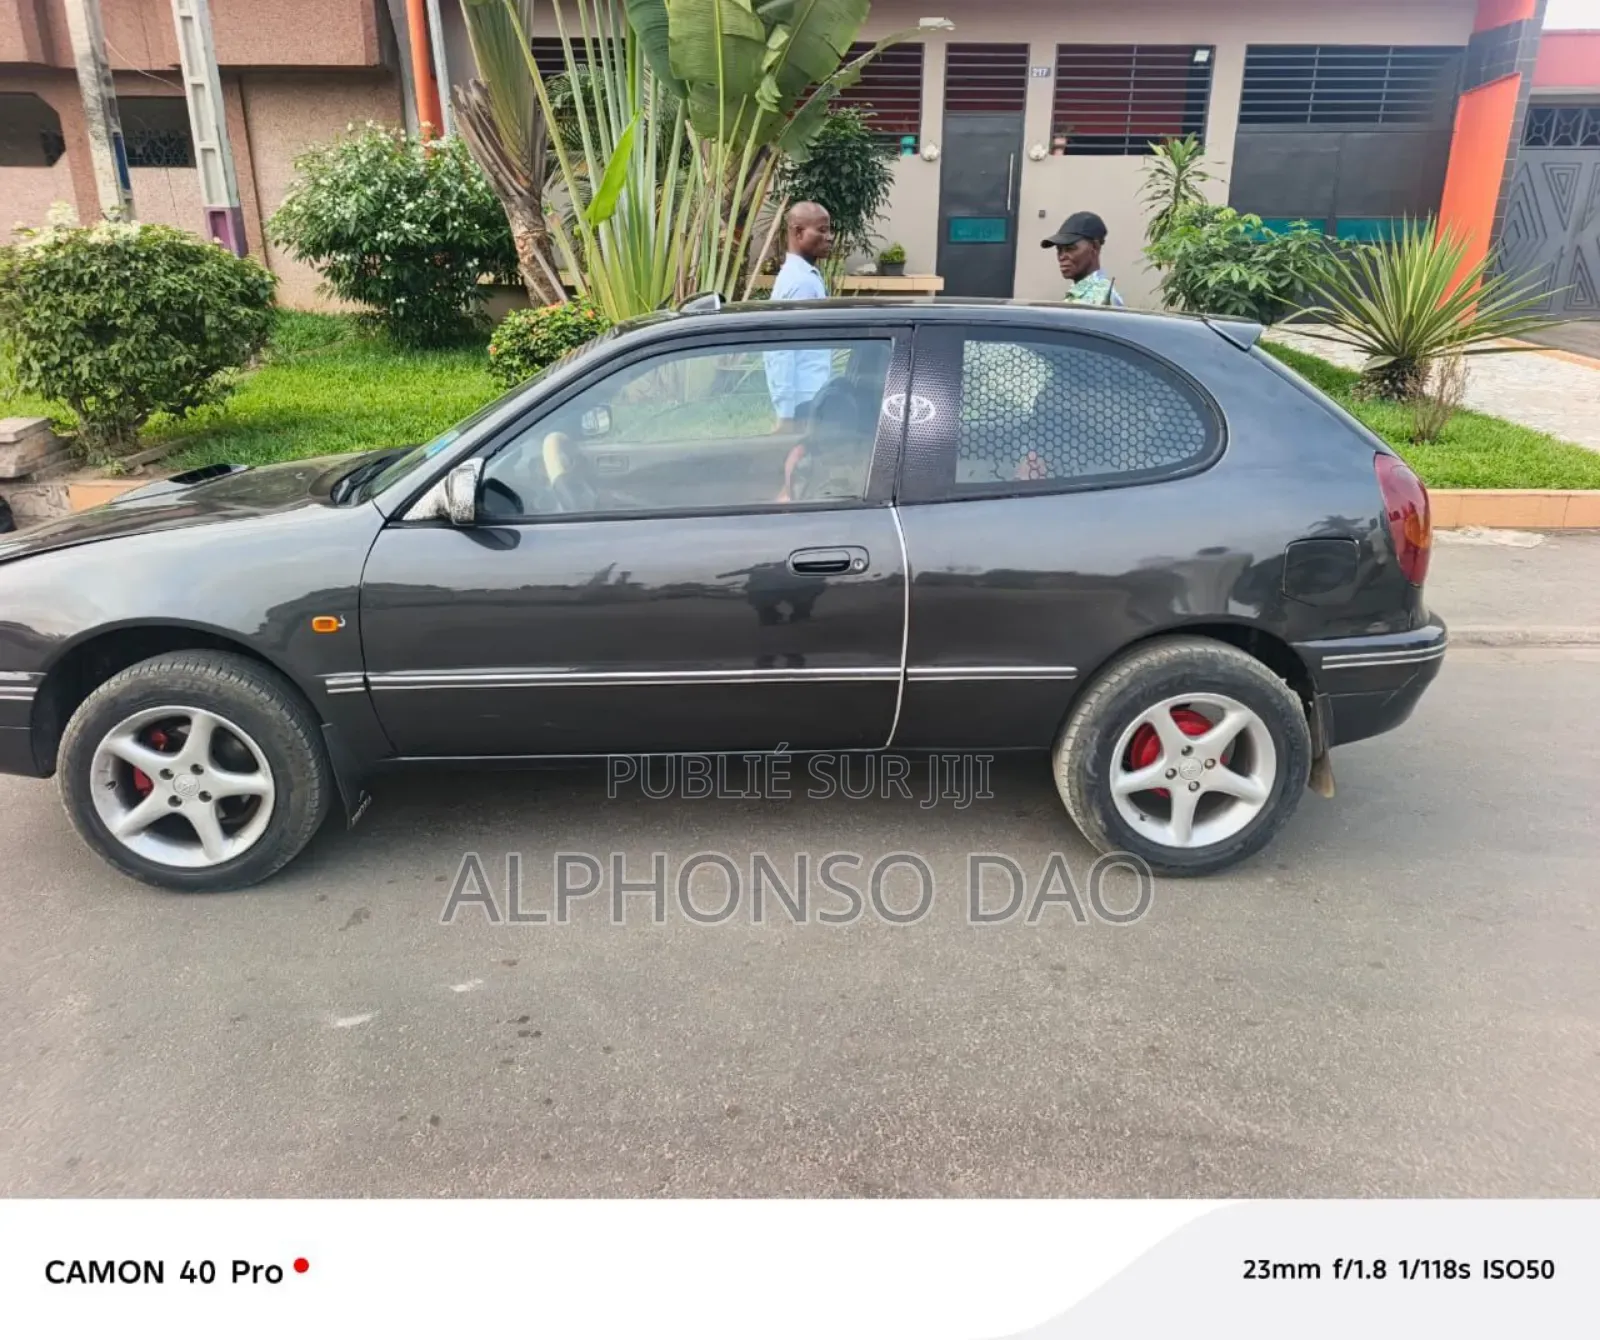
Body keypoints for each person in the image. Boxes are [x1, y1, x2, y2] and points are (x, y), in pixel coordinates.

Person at [765, 201, 835, 431]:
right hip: (804, 404)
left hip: (809, 399)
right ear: (798, 232)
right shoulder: (801, 282)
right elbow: (781, 349)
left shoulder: (802, 275)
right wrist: (786, 414)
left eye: (829, 230)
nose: (830, 237)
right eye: (822, 230)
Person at [1041, 211, 1124, 307]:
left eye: (1070, 249)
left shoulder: (1101, 299)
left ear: (1094, 248)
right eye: (1059, 250)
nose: (1062, 256)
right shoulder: (1078, 293)